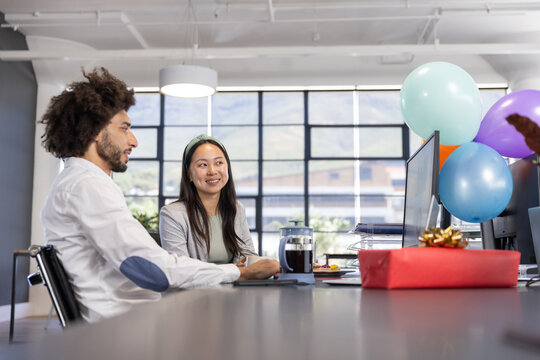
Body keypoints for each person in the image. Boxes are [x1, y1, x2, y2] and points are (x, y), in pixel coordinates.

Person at [39, 67, 279, 323]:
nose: (133, 141)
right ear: (95, 131)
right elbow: (154, 270)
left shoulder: (80, 183)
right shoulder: (86, 186)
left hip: (140, 320)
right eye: (124, 128)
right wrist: (238, 273)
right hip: (128, 329)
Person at [159, 135, 257, 264]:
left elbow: (247, 256)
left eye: (219, 163)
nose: (212, 171)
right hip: (197, 285)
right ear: (189, 175)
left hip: (236, 283)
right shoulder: (172, 215)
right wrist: (236, 271)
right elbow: (182, 269)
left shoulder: (236, 208)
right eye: (203, 165)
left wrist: (264, 264)